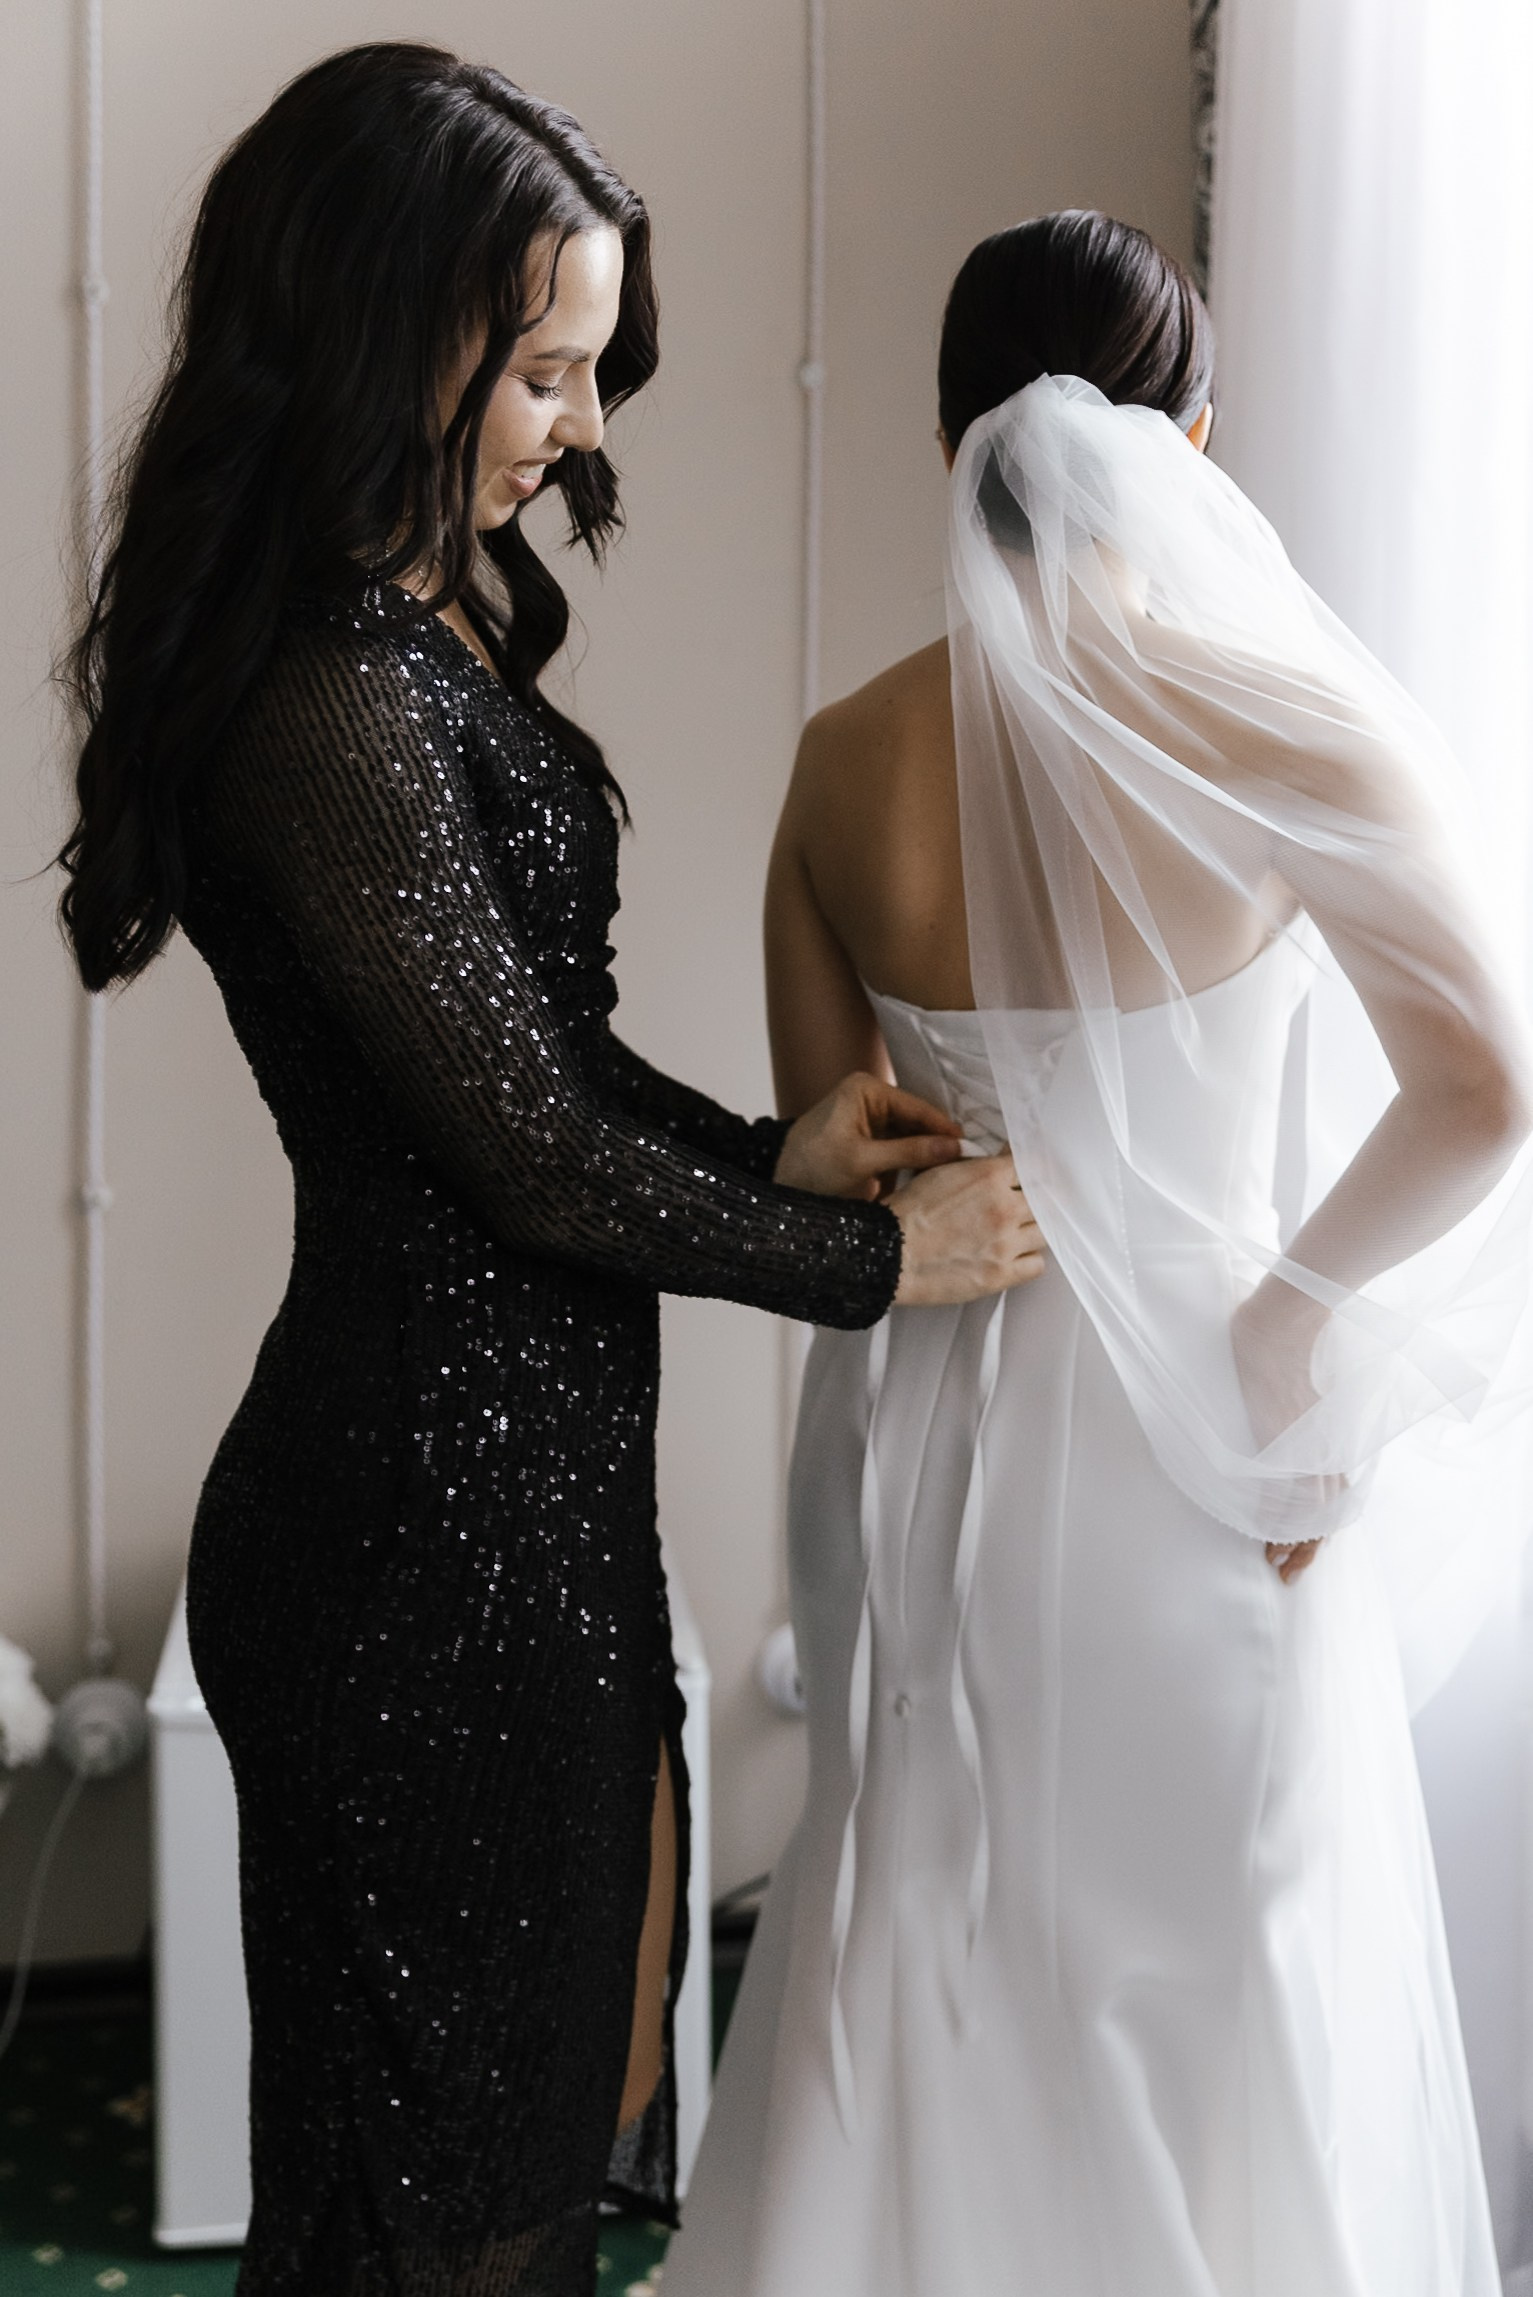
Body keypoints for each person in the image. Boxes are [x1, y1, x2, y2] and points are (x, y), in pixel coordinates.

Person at [54, 46, 1039, 2297]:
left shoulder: (415, 629)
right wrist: (870, 1258)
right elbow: (526, 1161)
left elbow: (539, 1074)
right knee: (432, 2219)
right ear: (376, 334)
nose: (585, 428)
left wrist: (778, 1152)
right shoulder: (321, 691)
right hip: (414, 1547)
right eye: (542, 369)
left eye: (592, 369)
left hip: (521, 1527)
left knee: (534, 2154)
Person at [664, 211, 1533, 2296]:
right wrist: (1285, 1330)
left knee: (921, 1937)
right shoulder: (1288, 735)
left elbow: (840, 1174)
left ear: (946, 448)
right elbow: (1486, 1087)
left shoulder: (841, 761)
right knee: (1222, 1970)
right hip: (1197, 1442)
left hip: (923, 1440)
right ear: (1191, 440)